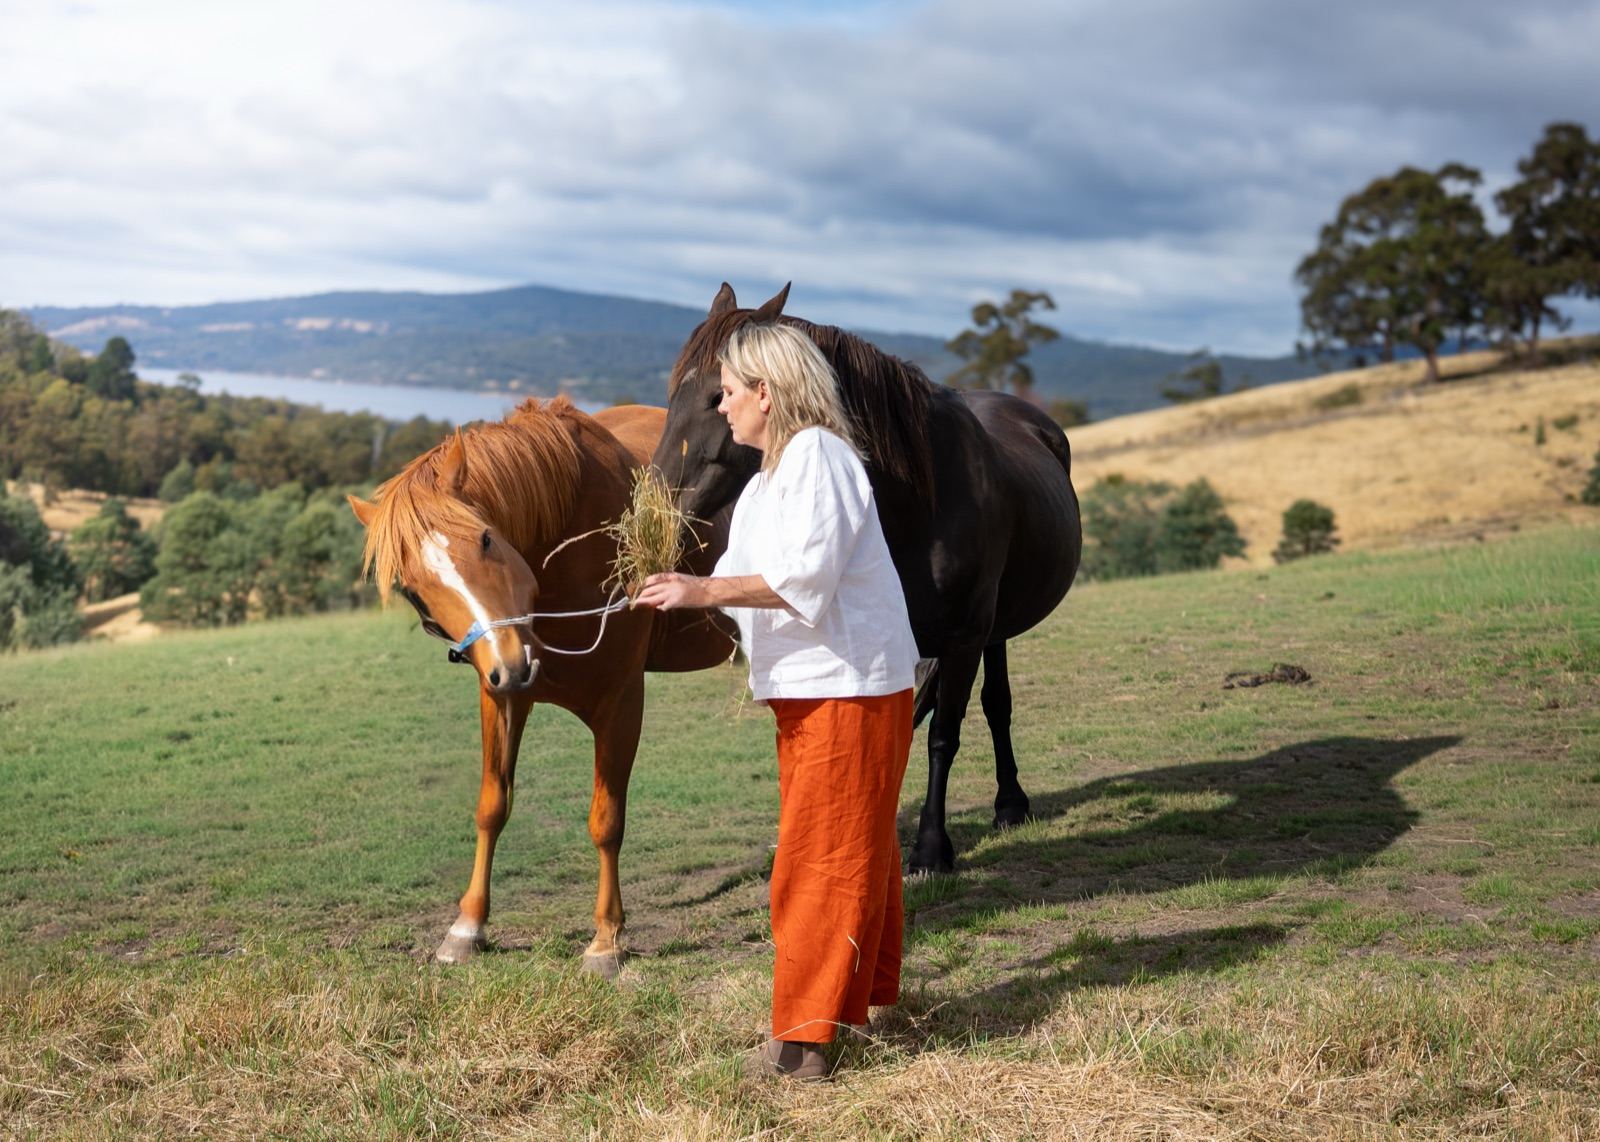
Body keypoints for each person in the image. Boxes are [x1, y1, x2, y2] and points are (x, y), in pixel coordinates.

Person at [634, 322, 918, 1081]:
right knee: (854, 846)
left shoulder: (820, 458)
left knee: (817, 859)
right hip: (815, 689)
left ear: (768, 392)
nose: (721, 407)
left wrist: (702, 589)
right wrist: (661, 586)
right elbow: (736, 580)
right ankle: (857, 1004)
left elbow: (804, 579)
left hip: (850, 685)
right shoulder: (767, 481)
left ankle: (801, 1043)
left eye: (727, 392)